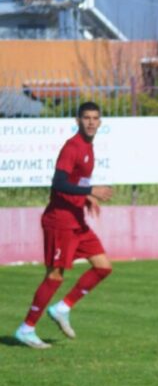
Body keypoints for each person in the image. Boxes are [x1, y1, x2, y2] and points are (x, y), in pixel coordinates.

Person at [14, 101, 114, 349]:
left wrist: (86, 197)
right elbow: (58, 182)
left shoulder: (89, 147)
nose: (91, 122)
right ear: (77, 121)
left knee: (103, 267)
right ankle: (27, 328)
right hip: (60, 222)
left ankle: (62, 308)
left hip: (76, 220)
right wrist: (91, 190)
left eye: (95, 118)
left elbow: (75, 180)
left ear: (100, 122)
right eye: (86, 118)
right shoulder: (72, 147)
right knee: (55, 276)